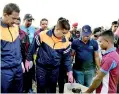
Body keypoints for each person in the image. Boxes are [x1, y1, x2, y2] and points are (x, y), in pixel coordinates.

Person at [25, 17, 73, 93]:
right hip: (41, 68)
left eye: (66, 33)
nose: (65, 35)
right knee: (41, 88)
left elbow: (67, 58)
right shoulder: (42, 35)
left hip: (55, 69)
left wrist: (70, 72)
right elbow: (33, 47)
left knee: (52, 89)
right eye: (63, 33)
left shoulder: (66, 42)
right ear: (57, 29)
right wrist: (28, 59)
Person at [0, 3, 23, 93]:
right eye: (13, 18)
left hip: (18, 68)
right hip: (4, 70)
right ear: (5, 15)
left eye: (17, 18)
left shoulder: (16, 27)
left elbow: (18, 47)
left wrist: (20, 62)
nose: (15, 21)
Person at [20, 13, 36, 93]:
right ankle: (23, 88)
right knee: (23, 71)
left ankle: (29, 88)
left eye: (31, 21)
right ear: (24, 20)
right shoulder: (20, 28)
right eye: (28, 20)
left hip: (30, 53)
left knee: (29, 71)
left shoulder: (33, 29)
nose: (29, 22)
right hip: (22, 53)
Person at [15, 17, 30, 93]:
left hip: (24, 59)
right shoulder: (5, 34)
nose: (16, 25)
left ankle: (25, 90)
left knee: (25, 76)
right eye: (14, 23)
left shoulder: (24, 34)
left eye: (17, 23)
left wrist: (28, 59)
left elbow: (28, 47)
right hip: (11, 60)